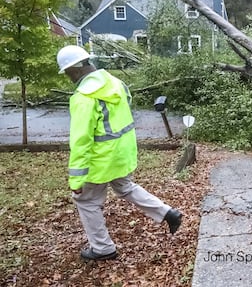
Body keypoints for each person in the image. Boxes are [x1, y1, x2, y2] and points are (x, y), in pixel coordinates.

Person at [56, 45, 183, 261]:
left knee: (86, 202)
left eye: (67, 72)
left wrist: (76, 180)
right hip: (122, 154)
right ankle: (167, 213)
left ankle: (102, 248)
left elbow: (81, 141)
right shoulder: (116, 83)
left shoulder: (83, 97)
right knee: (125, 187)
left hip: (100, 161)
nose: (68, 77)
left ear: (76, 69)